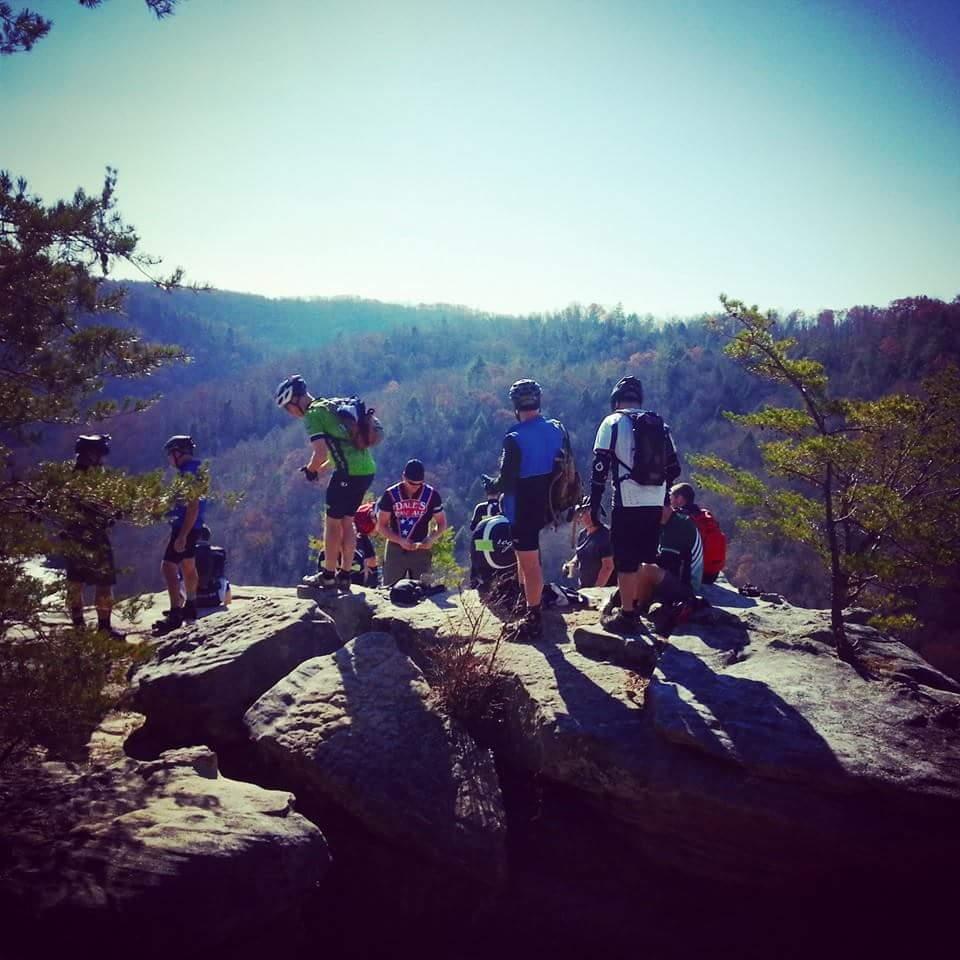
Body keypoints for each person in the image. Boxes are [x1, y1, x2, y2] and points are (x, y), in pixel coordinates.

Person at [590, 375, 681, 633]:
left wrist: (595, 505)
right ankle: (637, 604)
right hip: (654, 501)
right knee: (645, 557)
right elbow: (674, 467)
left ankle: (628, 615)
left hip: (627, 502)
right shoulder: (661, 426)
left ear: (615, 400)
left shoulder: (613, 422)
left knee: (625, 559)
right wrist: (663, 498)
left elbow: (599, 468)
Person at [481, 379, 565, 641]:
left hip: (522, 507)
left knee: (529, 564)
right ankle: (525, 599)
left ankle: (533, 616)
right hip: (549, 503)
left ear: (516, 406)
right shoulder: (556, 429)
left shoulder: (514, 438)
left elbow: (505, 482)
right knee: (526, 558)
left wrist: (490, 487)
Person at [276, 375, 376, 592]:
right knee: (348, 521)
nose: (290, 413)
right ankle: (346, 575)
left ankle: (329, 575)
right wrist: (320, 469)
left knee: (332, 523)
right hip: (366, 470)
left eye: (288, 407)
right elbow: (341, 450)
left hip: (347, 474)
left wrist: (312, 470)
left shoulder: (312, 415)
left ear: (295, 401)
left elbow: (320, 453)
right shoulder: (329, 405)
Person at [63, 434, 121, 637]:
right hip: (94, 536)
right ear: (92, 454)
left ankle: (79, 629)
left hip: (74, 536)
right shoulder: (92, 478)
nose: (103, 459)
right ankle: (104, 629)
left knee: (75, 584)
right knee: (103, 583)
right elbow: (101, 504)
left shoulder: (72, 475)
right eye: (100, 454)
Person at [156, 435, 207, 633]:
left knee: (168, 567)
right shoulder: (197, 470)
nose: (169, 459)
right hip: (194, 526)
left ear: (178, 453)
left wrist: (182, 535)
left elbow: (192, 506)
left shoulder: (187, 474)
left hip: (185, 526)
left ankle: (176, 612)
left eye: (170, 454)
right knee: (188, 564)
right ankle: (191, 606)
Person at [377, 459, 447, 587]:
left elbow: (442, 523)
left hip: (421, 549)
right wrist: (399, 540)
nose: (415, 487)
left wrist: (431, 538)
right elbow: (381, 526)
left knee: (423, 589)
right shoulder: (390, 495)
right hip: (396, 548)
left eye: (419, 484)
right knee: (389, 588)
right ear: (403, 477)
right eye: (411, 483)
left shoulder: (432, 495)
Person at [637, 504, 704, 636]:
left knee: (646, 569)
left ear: (664, 507)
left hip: (686, 588)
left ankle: (639, 610)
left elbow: (669, 565)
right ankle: (639, 604)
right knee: (631, 568)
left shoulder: (679, 524)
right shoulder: (665, 523)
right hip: (672, 578)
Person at [669, 482, 727, 583]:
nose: (670, 500)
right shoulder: (705, 515)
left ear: (680, 499)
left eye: (672, 497)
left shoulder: (680, 518)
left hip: (694, 575)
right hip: (712, 575)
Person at [316, 502, 381, 587]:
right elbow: (372, 561)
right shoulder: (324, 554)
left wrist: (372, 582)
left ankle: (331, 579)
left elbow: (372, 561)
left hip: (356, 584)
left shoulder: (361, 541)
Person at [564, 496, 615, 588]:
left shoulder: (605, 536)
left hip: (603, 593)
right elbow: (582, 552)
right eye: (583, 513)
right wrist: (572, 563)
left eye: (591, 512)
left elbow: (608, 567)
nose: (587, 516)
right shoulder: (583, 534)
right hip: (585, 590)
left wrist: (596, 591)